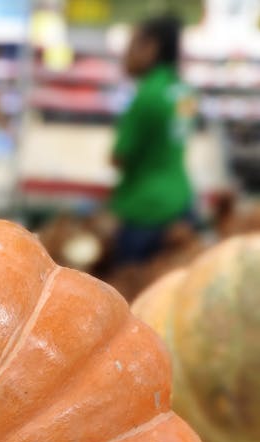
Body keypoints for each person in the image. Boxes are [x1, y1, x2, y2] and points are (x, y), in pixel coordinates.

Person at [110, 15, 197, 264]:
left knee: (132, 291)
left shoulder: (147, 96)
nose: (126, 54)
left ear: (152, 47)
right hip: (181, 201)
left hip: (145, 209)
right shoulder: (185, 92)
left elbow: (119, 157)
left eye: (132, 44)